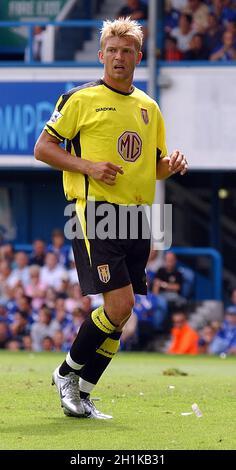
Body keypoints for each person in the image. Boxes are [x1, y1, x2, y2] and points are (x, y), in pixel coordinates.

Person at [34, 17, 188, 419]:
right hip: (95, 212)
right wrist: (87, 166)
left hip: (139, 215)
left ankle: (82, 394)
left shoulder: (149, 107)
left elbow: (152, 166)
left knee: (122, 312)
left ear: (138, 56)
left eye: (127, 51)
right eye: (113, 51)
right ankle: (67, 373)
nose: (119, 57)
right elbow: (43, 148)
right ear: (101, 55)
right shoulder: (79, 99)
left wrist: (169, 165)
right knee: (118, 304)